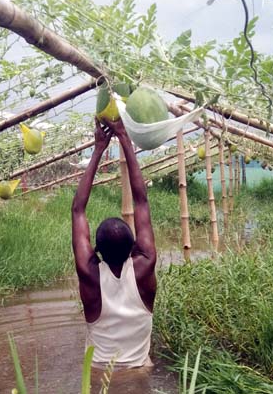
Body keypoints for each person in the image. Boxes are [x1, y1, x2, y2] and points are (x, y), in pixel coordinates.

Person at [71, 118, 157, 370]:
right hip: (139, 373)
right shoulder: (145, 265)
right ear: (134, 247)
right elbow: (141, 201)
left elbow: (78, 210)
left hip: (98, 375)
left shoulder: (90, 274)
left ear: (95, 252)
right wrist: (125, 139)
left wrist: (98, 148)